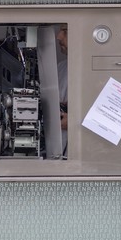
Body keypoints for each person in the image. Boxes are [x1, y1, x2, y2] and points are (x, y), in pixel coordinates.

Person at [56, 25, 68, 157]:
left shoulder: (103, 70)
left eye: (65, 31)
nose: (58, 36)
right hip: (60, 150)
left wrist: (75, 122)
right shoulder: (60, 68)